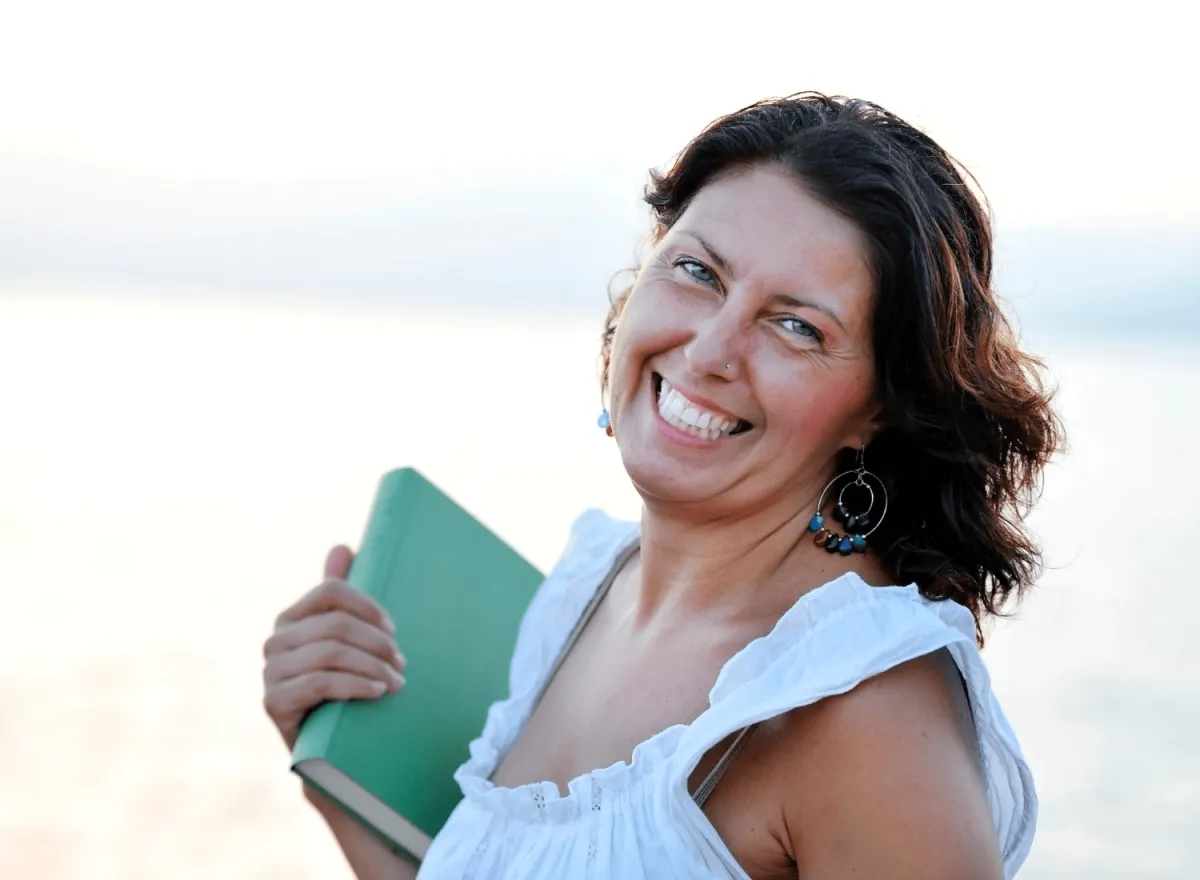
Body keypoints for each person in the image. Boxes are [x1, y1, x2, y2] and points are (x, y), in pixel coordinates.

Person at [262, 92, 1062, 879]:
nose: (712, 349)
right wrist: (330, 758)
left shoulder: (862, 709)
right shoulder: (585, 592)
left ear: (879, 408)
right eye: (697, 271)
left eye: (797, 327)